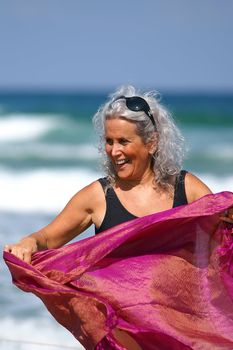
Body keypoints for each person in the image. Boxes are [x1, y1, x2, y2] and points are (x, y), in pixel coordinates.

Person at [4, 85, 233, 349]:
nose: (114, 151)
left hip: (178, 336)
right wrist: (28, 243)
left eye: (123, 141)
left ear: (152, 142)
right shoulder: (98, 197)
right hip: (120, 341)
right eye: (109, 142)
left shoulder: (187, 188)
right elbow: (47, 238)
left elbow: (221, 244)